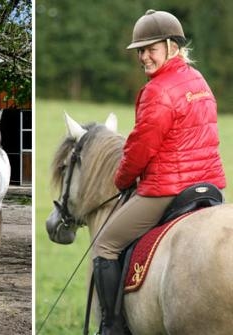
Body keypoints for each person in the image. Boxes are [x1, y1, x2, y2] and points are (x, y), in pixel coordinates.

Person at [92, 9, 227, 334]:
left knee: (105, 245)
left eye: (150, 48)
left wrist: (122, 179)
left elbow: (139, 148)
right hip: (210, 186)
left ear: (172, 46)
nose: (143, 57)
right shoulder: (199, 81)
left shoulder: (157, 91)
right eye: (140, 50)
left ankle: (111, 326)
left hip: (168, 189)